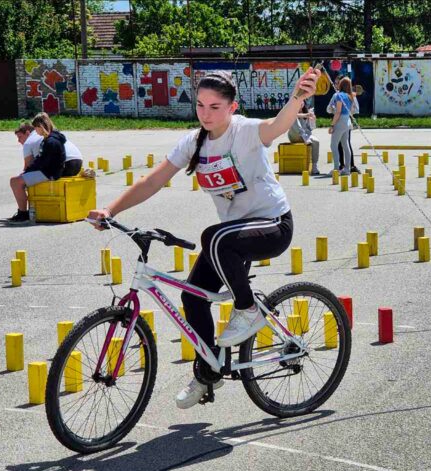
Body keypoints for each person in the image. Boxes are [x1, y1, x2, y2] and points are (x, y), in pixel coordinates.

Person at [87, 67, 320, 410]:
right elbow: (153, 181)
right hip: (231, 237)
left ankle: (247, 309)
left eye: (215, 107)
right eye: (200, 105)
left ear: (232, 107)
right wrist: (110, 210)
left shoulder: (245, 132)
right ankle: (208, 371)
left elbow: (277, 126)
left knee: (213, 236)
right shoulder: (194, 143)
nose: (206, 113)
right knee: (194, 299)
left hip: (272, 225)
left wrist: (298, 97)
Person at [8, 113, 70, 224]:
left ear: (41, 126)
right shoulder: (53, 138)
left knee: (15, 182)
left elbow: (41, 162)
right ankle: (23, 212)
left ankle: (23, 214)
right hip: (50, 170)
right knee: (19, 179)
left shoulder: (50, 141)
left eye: (36, 128)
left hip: (49, 173)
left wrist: (26, 172)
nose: (35, 131)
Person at [15, 121, 87, 178]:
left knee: (19, 181)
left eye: (20, 137)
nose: (18, 140)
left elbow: (27, 168)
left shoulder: (28, 142)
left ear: (27, 133)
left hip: (64, 166)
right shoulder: (49, 133)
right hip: (78, 163)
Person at [328, 74, 359, 174]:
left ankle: (336, 168)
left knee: (333, 145)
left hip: (340, 122)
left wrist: (332, 125)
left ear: (341, 85)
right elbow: (350, 110)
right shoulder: (350, 96)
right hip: (348, 122)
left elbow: (338, 112)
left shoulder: (338, 96)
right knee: (346, 145)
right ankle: (347, 168)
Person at [287, 101, 321, 175]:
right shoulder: (291, 111)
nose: (300, 104)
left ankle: (314, 167)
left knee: (316, 141)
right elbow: (293, 116)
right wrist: (304, 115)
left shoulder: (308, 112)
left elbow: (311, 128)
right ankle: (304, 136)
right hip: (294, 135)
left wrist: (312, 120)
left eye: (301, 102)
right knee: (293, 117)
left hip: (306, 136)